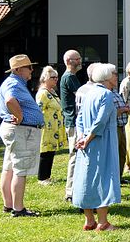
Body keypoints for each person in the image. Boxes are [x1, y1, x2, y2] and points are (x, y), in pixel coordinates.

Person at [73, 63, 122, 231]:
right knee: (104, 177)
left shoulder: (89, 93)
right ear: (107, 77)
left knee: (86, 179)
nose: (116, 76)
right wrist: (87, 138)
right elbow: (100, 121)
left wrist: (81, 137)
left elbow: (79, 119)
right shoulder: (107, 95)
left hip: (86, 142)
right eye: (114, 73)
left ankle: (89, 220)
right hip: (102, 142)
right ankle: (103, 222)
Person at [0, 54, 43, 217]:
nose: (32, 70)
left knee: (9, 168)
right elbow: (10, 100)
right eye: (28, 67)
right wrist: (20, 116)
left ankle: (8, 205)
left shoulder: (14, 82)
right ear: (17, 70)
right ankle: (18, 208)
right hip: (21, 130)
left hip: (15, 130)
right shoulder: (14, 83)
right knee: (20, 170)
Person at [35, 66, 67, 186]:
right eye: (53, 77)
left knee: (51, 152)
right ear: (45, 78)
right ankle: (42, 178)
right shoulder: (43, 93)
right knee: (45, 152)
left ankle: (47, 176)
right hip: (47, 128)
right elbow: (39, 109)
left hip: (54, 127)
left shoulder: (52, 92)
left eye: (56, 77)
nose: (56, 79)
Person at [60, 49, 82, 202]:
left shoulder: (71, 77)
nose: (80, 61)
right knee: (74, 156)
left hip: (73, 121)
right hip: (73, 122)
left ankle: (75, 189)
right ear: (69, 61)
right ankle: (70, 192)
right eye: (77, 59)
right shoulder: (69, 77)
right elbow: (82, 96)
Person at [111, 86, 130, 182]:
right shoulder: (106, 93)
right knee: (115, 153)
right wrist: (123, 109)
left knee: (122, 152)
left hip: (122, 126)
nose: (116, 77)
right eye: (114, 74)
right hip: (114, 127)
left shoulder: (115, 92)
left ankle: (119, 177)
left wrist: (126, 108)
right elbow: (110, 112)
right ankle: (114, 178)